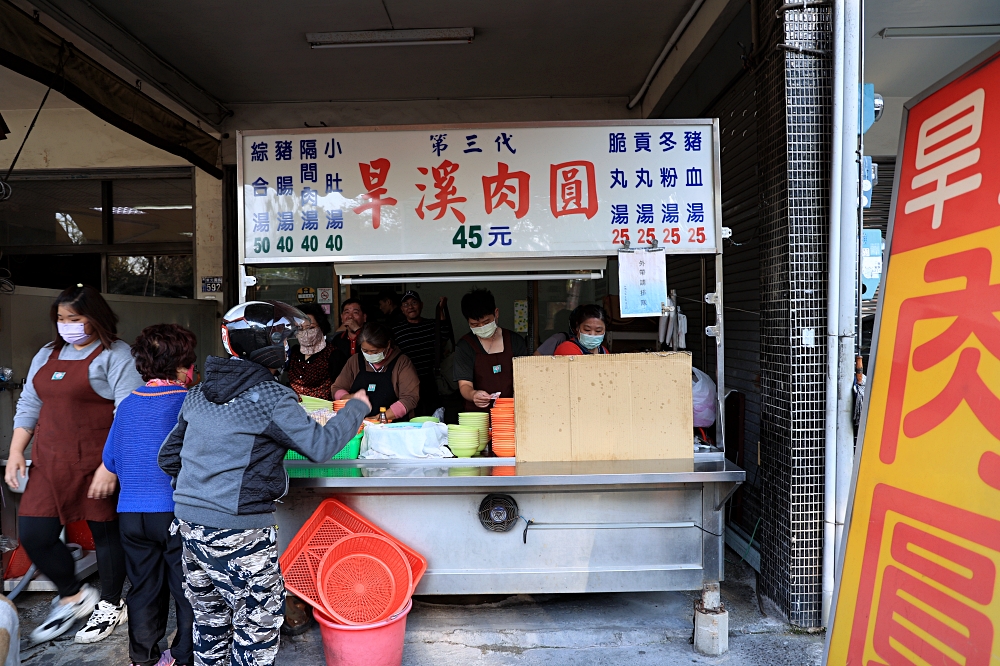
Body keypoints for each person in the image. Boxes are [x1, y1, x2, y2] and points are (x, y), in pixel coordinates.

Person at [157, 301, 370, 666]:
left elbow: (168, 457)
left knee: (210, 623)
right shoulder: (271, 397)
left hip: (189, 528)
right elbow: (318, 447)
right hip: (241, 529)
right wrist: (355, 408)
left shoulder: (198, 393)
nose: (289, 347)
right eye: (285, 339)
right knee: (256, 628)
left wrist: (204, 487)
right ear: (267, 345)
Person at [5, 284, 141, 643]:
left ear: (94, 319)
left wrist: (110, 466)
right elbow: (30, 404)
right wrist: (18, 450)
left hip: (97, 460)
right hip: (49, 462)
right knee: (34, 532)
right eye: (61, 319)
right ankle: (74, 595)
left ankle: (112, 604)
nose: (67, 325)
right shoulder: (47, 353)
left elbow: (127, 413)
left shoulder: (116, 355)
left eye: (75, 319)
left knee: (105, 534)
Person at [92, 324, 197, 666]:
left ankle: (144, 658)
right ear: (183, 365)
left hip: (131, 515)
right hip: (173, 512)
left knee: (142, 590)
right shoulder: (188, 403)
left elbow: (112, 459)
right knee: (186, 589)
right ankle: (183, 656)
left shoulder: (127, 406)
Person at [454, 288, 528, 411]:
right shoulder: (465, 346)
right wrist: (473, 394)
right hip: (477, 416)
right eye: (475, 325)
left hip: (511, 412)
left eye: (486, 322)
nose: (482, 327)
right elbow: (465, 384)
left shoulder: (515, 341)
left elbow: (525, 378)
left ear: (496, 313)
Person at [332, 321, 420, 420]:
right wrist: (350, 397)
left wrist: (379, 419)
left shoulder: (402, 363)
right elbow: (337, 388)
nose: (369, 354)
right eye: (365, 351)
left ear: (388, 345)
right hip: (358, 424)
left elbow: (410, 398)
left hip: (393, 426)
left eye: (375, 352)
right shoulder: (355, 360)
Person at [392, 290, 451, 415]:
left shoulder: (431, 325)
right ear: (402, 309)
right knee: (413, 416)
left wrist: (440, 309)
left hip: (431, 380)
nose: (411, 307)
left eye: (414, 302)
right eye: (406, 304)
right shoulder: (396, 330)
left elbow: (445, 334)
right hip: (407, 381)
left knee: (435, 415)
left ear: (421, 305)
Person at [288, 302, 347, 400]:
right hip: (294, 410)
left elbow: (340, 387)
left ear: (322, 328)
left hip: (322, 412)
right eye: (300, 328)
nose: (305, 333)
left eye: (311, 328)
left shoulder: (333, 355)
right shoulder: (294, 353)